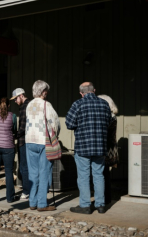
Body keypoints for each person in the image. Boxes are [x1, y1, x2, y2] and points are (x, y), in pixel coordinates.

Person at [66, 82, 112, 214]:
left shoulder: (77, 104)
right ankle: (101, 205)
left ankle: (85, 205)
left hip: (83, 146)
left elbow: (69, 124)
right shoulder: (104, 104)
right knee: (99, 175)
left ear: (81, 93)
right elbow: (109, 122)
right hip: (100, 146)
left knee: (83, 176)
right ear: (94, 90)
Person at [25, 80, 60, 211]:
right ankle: (42, 204)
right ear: (43, 91)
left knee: (33, 173)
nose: (47, 93)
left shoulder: (29, 105)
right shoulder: (46, 104)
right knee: (44, 172)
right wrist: (56, 135)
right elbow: (54, 122)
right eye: (46, 91)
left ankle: (32, 202)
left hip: (29, 140)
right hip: (43, 140)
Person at [0, 97, 18, 203]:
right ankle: (10, 198)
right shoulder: (12, 116)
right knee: (9, 172)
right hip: (8, 147)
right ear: (8, 105)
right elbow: (14, 130)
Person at [10, 88, 31, 200]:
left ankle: (27, 191)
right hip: (31, 140)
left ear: (21, 96)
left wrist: (15, 135)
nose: (15, 101)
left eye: (15, 99)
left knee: (24, 167)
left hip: (24, 141)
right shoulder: (31, 104)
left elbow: (23, 126)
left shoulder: (24, 107)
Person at [98, 95, 119, 205]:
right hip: (110, 146)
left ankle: (105, 198)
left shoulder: (109, 117)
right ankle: (106, 198)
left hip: (106, 147)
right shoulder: (113, 116)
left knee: (103, 173)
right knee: (104, 173)